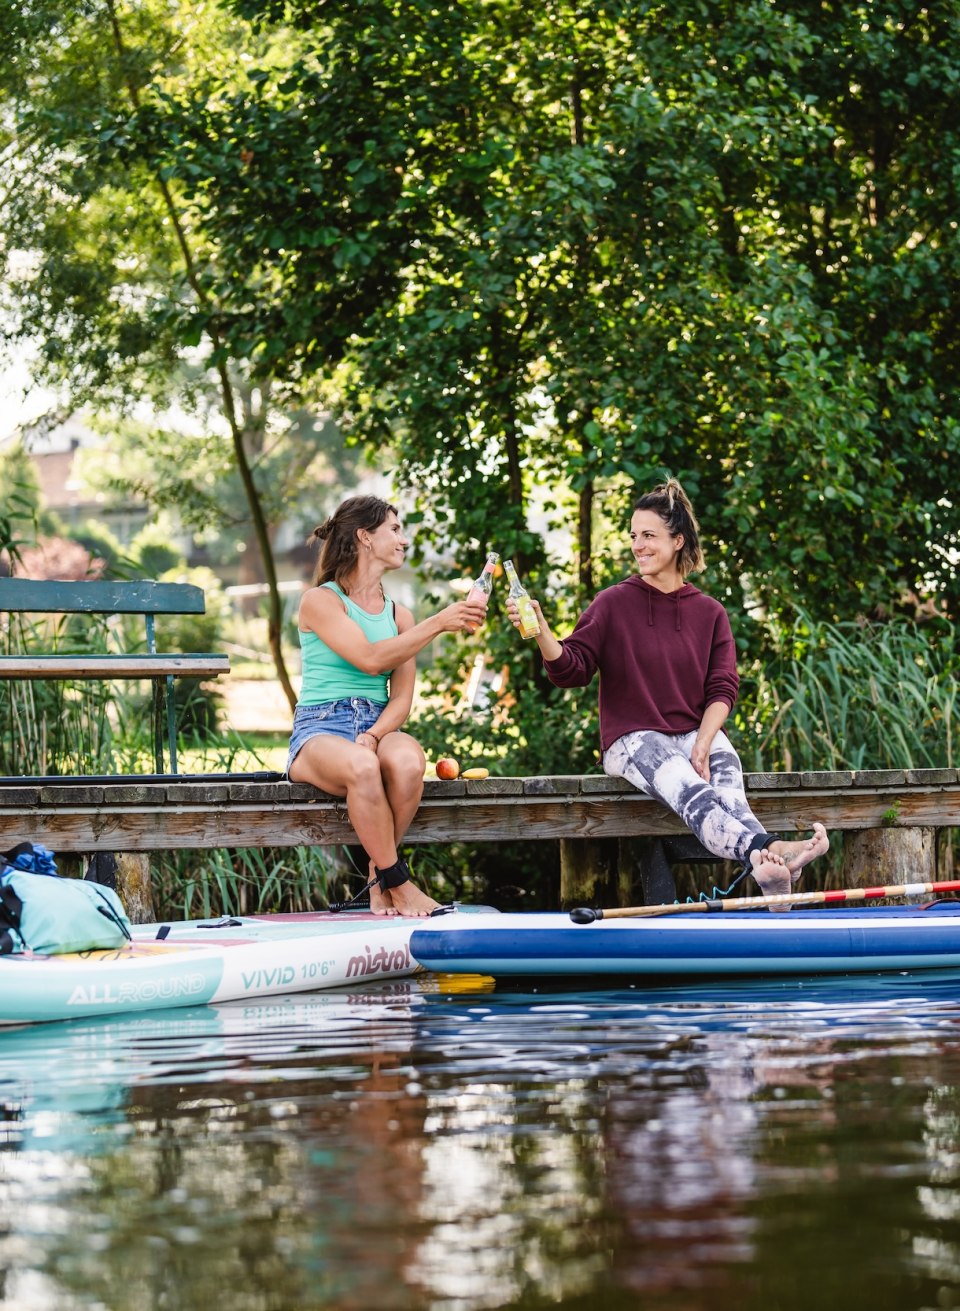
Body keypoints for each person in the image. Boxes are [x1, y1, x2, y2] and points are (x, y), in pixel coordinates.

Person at [505, 478, 829, 900]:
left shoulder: (710, 613)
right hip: (633, 739)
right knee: (694, 792)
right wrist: (544, 632)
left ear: (678, 541)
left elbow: (723, 687)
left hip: (696, 732)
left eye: (649, 535)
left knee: (733, 801)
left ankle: (766, 870)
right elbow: (572, 669)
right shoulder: (612, 603)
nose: (638, 545)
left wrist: (705, 740)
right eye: (634, 536)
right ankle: (772, 850)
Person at [288, 495, 488, 917]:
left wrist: (375, 734)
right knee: (363, 767)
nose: (404, 539)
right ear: (365, 536)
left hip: (376, 726)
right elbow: (371, 659)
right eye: (394, 529)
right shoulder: (320, 601)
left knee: (409, 762)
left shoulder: (400, 616)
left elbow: (400, 700)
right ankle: (399, 882)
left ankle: (378, 881)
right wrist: (440, 621)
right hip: (320, 731)